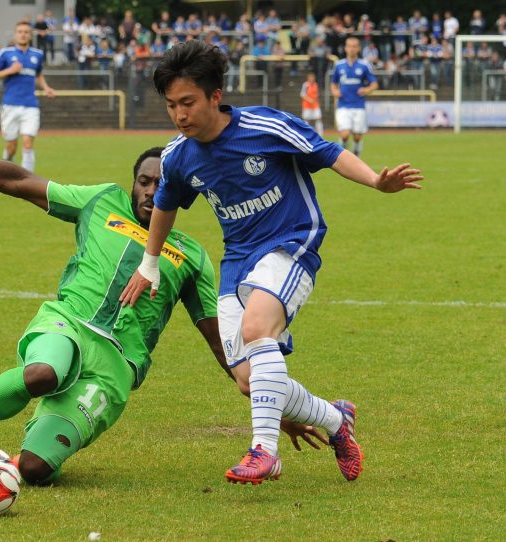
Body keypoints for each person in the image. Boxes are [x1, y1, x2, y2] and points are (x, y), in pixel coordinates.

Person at [0, 122, 328, 483]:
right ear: (133, 183)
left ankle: (29, 444)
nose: (151, 190)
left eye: (161, 184)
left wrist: (273, 408)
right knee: (44, 373)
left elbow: (222, 343)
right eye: (144, 181)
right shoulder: (100, 202)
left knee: (33, 470)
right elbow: (18, 180)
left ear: (181, 193)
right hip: (67, 324)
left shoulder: (191, 257)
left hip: (115, 368)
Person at [120, 40, 424, 485]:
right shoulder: (177, 155)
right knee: (247, 379)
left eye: (188, 103)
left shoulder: (265, 126)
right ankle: (337, 421)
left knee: (257, 328)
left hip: (291, 242)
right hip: (238, 263)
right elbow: (166, 203)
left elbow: (328, 153)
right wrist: (149, 262)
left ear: (215, 96)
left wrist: (377, 181)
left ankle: (264, 451)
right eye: (171, 106)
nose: (180, 115)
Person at [0, 21, 56, 173]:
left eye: (26, 32)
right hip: (10, 105)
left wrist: (46, 88)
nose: (23, 34)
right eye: (20, 31)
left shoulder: (37, 55)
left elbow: (38, 74)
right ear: (15, 34)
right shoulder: (6, 53)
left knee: (27, 143)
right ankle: (5, 168)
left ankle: (27, 185)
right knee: (11, 147)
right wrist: (10, 70)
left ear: (30, 35)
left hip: (31, 105)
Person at [330, 37, 378, 157]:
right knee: (345, 134)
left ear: (358, 48)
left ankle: (356, 155)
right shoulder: (339, 65)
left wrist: (366, 89)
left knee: (357, 137)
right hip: (343, 105)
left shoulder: (364, 65)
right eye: (349, 46)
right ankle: (341, 157)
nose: (351, 49)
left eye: (354, 46)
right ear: (345, 48)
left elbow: (374, 84)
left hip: (358, 105)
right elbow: (333, 83)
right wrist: (335, 91)